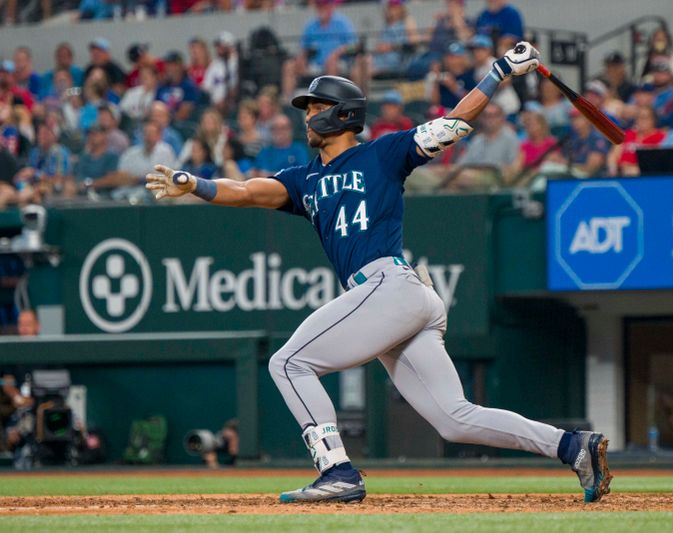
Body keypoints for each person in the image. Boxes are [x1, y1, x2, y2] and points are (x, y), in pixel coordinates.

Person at [146, 43, 613, 505]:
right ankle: (573, 447)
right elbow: (246, 191)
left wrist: (499, 71)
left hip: (389, 287)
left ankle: (337, 469)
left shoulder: (383, 153)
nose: (307, 115)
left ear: (341, 114)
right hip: (397, 299)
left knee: (288, 363)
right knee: (455, 418)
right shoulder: (303, 179)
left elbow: (453, 125)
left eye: (316, 106)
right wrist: (195, 184)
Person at [281, 0, 357, 102]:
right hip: (314, 64)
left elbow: (354, 46)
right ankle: (288, 102)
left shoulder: (342, 23)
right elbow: (303, 48)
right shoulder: (311, 26)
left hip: (339, 63)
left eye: (324, 6)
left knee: (332, 63)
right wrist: (302, 58)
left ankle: (331, 99)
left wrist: (337, 53)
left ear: (331, 7)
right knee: (289, 66)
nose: (322, 9)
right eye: (319, 6)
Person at [449, 102, 520, 189]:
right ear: (481, 119)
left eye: (494, 115)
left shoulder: (510, 138)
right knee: (447, 176)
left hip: (496, 178)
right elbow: (461, 164)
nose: (490, 119)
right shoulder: (477, 140)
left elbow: (513, 168)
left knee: (459, 179)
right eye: (486, 116)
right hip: (472, 173)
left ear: (502, 118)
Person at [469, 34, 519, 117]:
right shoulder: (477, 68)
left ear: (489, 50)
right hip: (494, 111)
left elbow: (507, 80)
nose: (476, 53)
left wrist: (488, 83)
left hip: (508, 108)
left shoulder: (493, 63)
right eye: (475, 50)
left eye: (481, 49)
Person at [608, 105, 666, 176]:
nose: (641, 120)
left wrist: (635, 169)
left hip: (644, 175)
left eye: (645, 118)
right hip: (621, 174)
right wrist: (613, 169)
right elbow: (613, 155)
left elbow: (658, 162)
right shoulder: (627, 134)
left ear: (653, 120)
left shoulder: (661, 137)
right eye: (638, 117)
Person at [427, 42, 476, 111]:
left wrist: (454, 87)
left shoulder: (469, 75)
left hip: (463, 113)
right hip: (444, 115)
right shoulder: (442, 76)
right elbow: (434, 103)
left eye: (456, 57)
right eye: (449, 56)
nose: (452, 60)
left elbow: (473, 102)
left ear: (463, 58)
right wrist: (436, 81)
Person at [73, 125, 120, 193]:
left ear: (104, 136)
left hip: (104, 197)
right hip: (82, 194)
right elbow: (78, 177)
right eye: (90, 134)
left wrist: (89, 184)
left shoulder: (111, 156)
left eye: (95, 134)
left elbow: (111, 179)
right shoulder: (84, 157)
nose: (91, 137)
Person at [201, 31, 239, 113]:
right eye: (217, 47)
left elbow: (236, 88)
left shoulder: (237, 63)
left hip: (233, 106)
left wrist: (225, 100)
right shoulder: (214, 64)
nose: (218, 49)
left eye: (220, 46)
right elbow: (206, 87)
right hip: (214, 106)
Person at [156, 51, 200, 122]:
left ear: (180, 66)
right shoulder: (161, 86)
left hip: (179, 125)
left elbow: (184, 113)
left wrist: (167, 120)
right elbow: (155, 106)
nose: (169, 68)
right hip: (159, 124)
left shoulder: (189, 87)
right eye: (168, 65)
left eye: (173, 65)